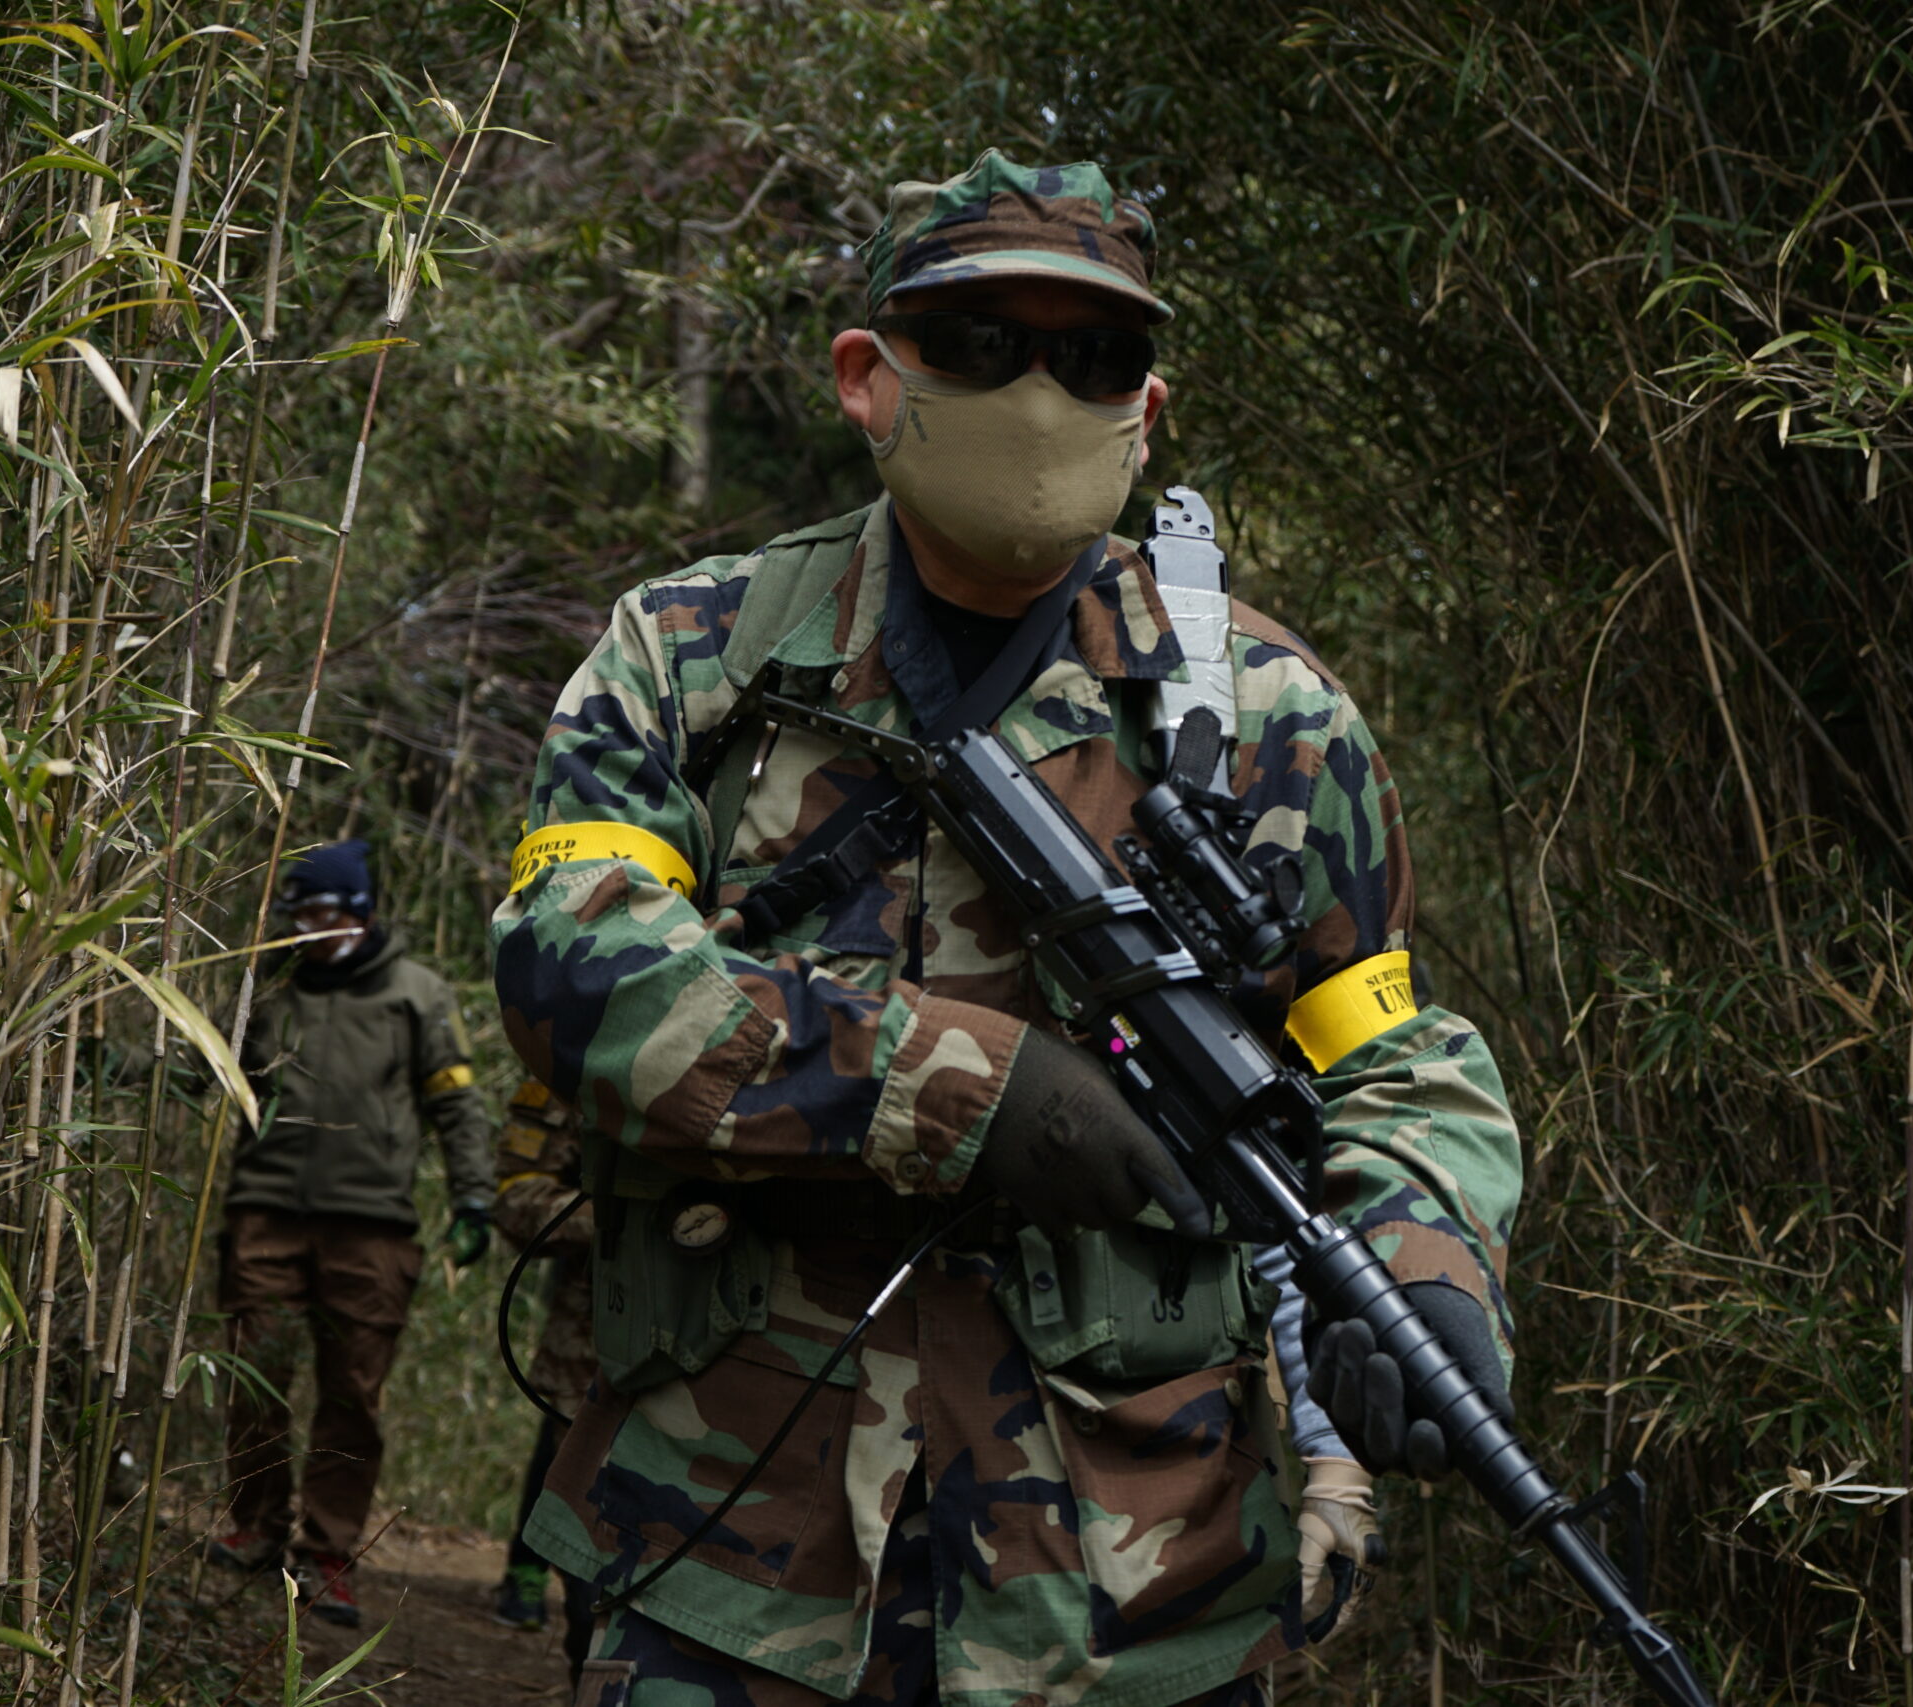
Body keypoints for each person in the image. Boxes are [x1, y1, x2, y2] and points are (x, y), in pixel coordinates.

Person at [489, 150, 1521, 1705]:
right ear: (868, 373)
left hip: (1136, 1597)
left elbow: (1389, 1057)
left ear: (1145, 408)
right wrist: (958, 1084)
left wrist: (1426, 1257)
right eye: (981, 344)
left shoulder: (1267, 719)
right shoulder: (693, 658)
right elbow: (575, 969)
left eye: (1092, 355)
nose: (1040, 396)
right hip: (728, 1555)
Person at [204, 839, 498, 1627]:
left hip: (371, 1231)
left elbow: (458, 1104)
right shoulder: (271, 989)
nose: (308, 928)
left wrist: (474, 1200)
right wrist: (115, 1063)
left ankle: (327, 1553)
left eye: (323, 913)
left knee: (352, 1396)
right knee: (254, 1376)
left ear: (359, 914)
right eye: (298, 914)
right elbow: (205, 1067)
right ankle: (255, 1525)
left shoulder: (417, 993)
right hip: (264, 1214)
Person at [487, 1076, 600, 1678]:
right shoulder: (577, 1059)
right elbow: (517, 1199)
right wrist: (630, 1213)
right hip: (597, 1345)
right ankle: (529, 1570)